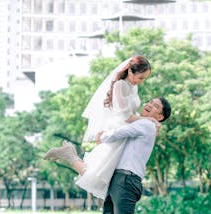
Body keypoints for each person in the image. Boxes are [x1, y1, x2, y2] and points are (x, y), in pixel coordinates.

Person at [43, 56, 158, 199]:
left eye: (144, 79)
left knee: (107, 176)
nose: (141, 82)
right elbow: (126, 116)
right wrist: (149, 119)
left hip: (126, 129)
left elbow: (132, 113)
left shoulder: (133, 87)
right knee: (97, 177)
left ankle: (69, 154)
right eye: (141, 78)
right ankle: (69, 155)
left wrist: (146, 122)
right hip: (118, 128)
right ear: (130, 71)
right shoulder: (120, 85)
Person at [95, 96, 171, 214]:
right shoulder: (145, 122)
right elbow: (128, 118)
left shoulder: (147, 126)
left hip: (127, 180)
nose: (149, 105)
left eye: (155, 106)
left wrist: (103, 136)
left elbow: (122, 131)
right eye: (150, 102)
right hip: (118, 178)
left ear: (160, 116)